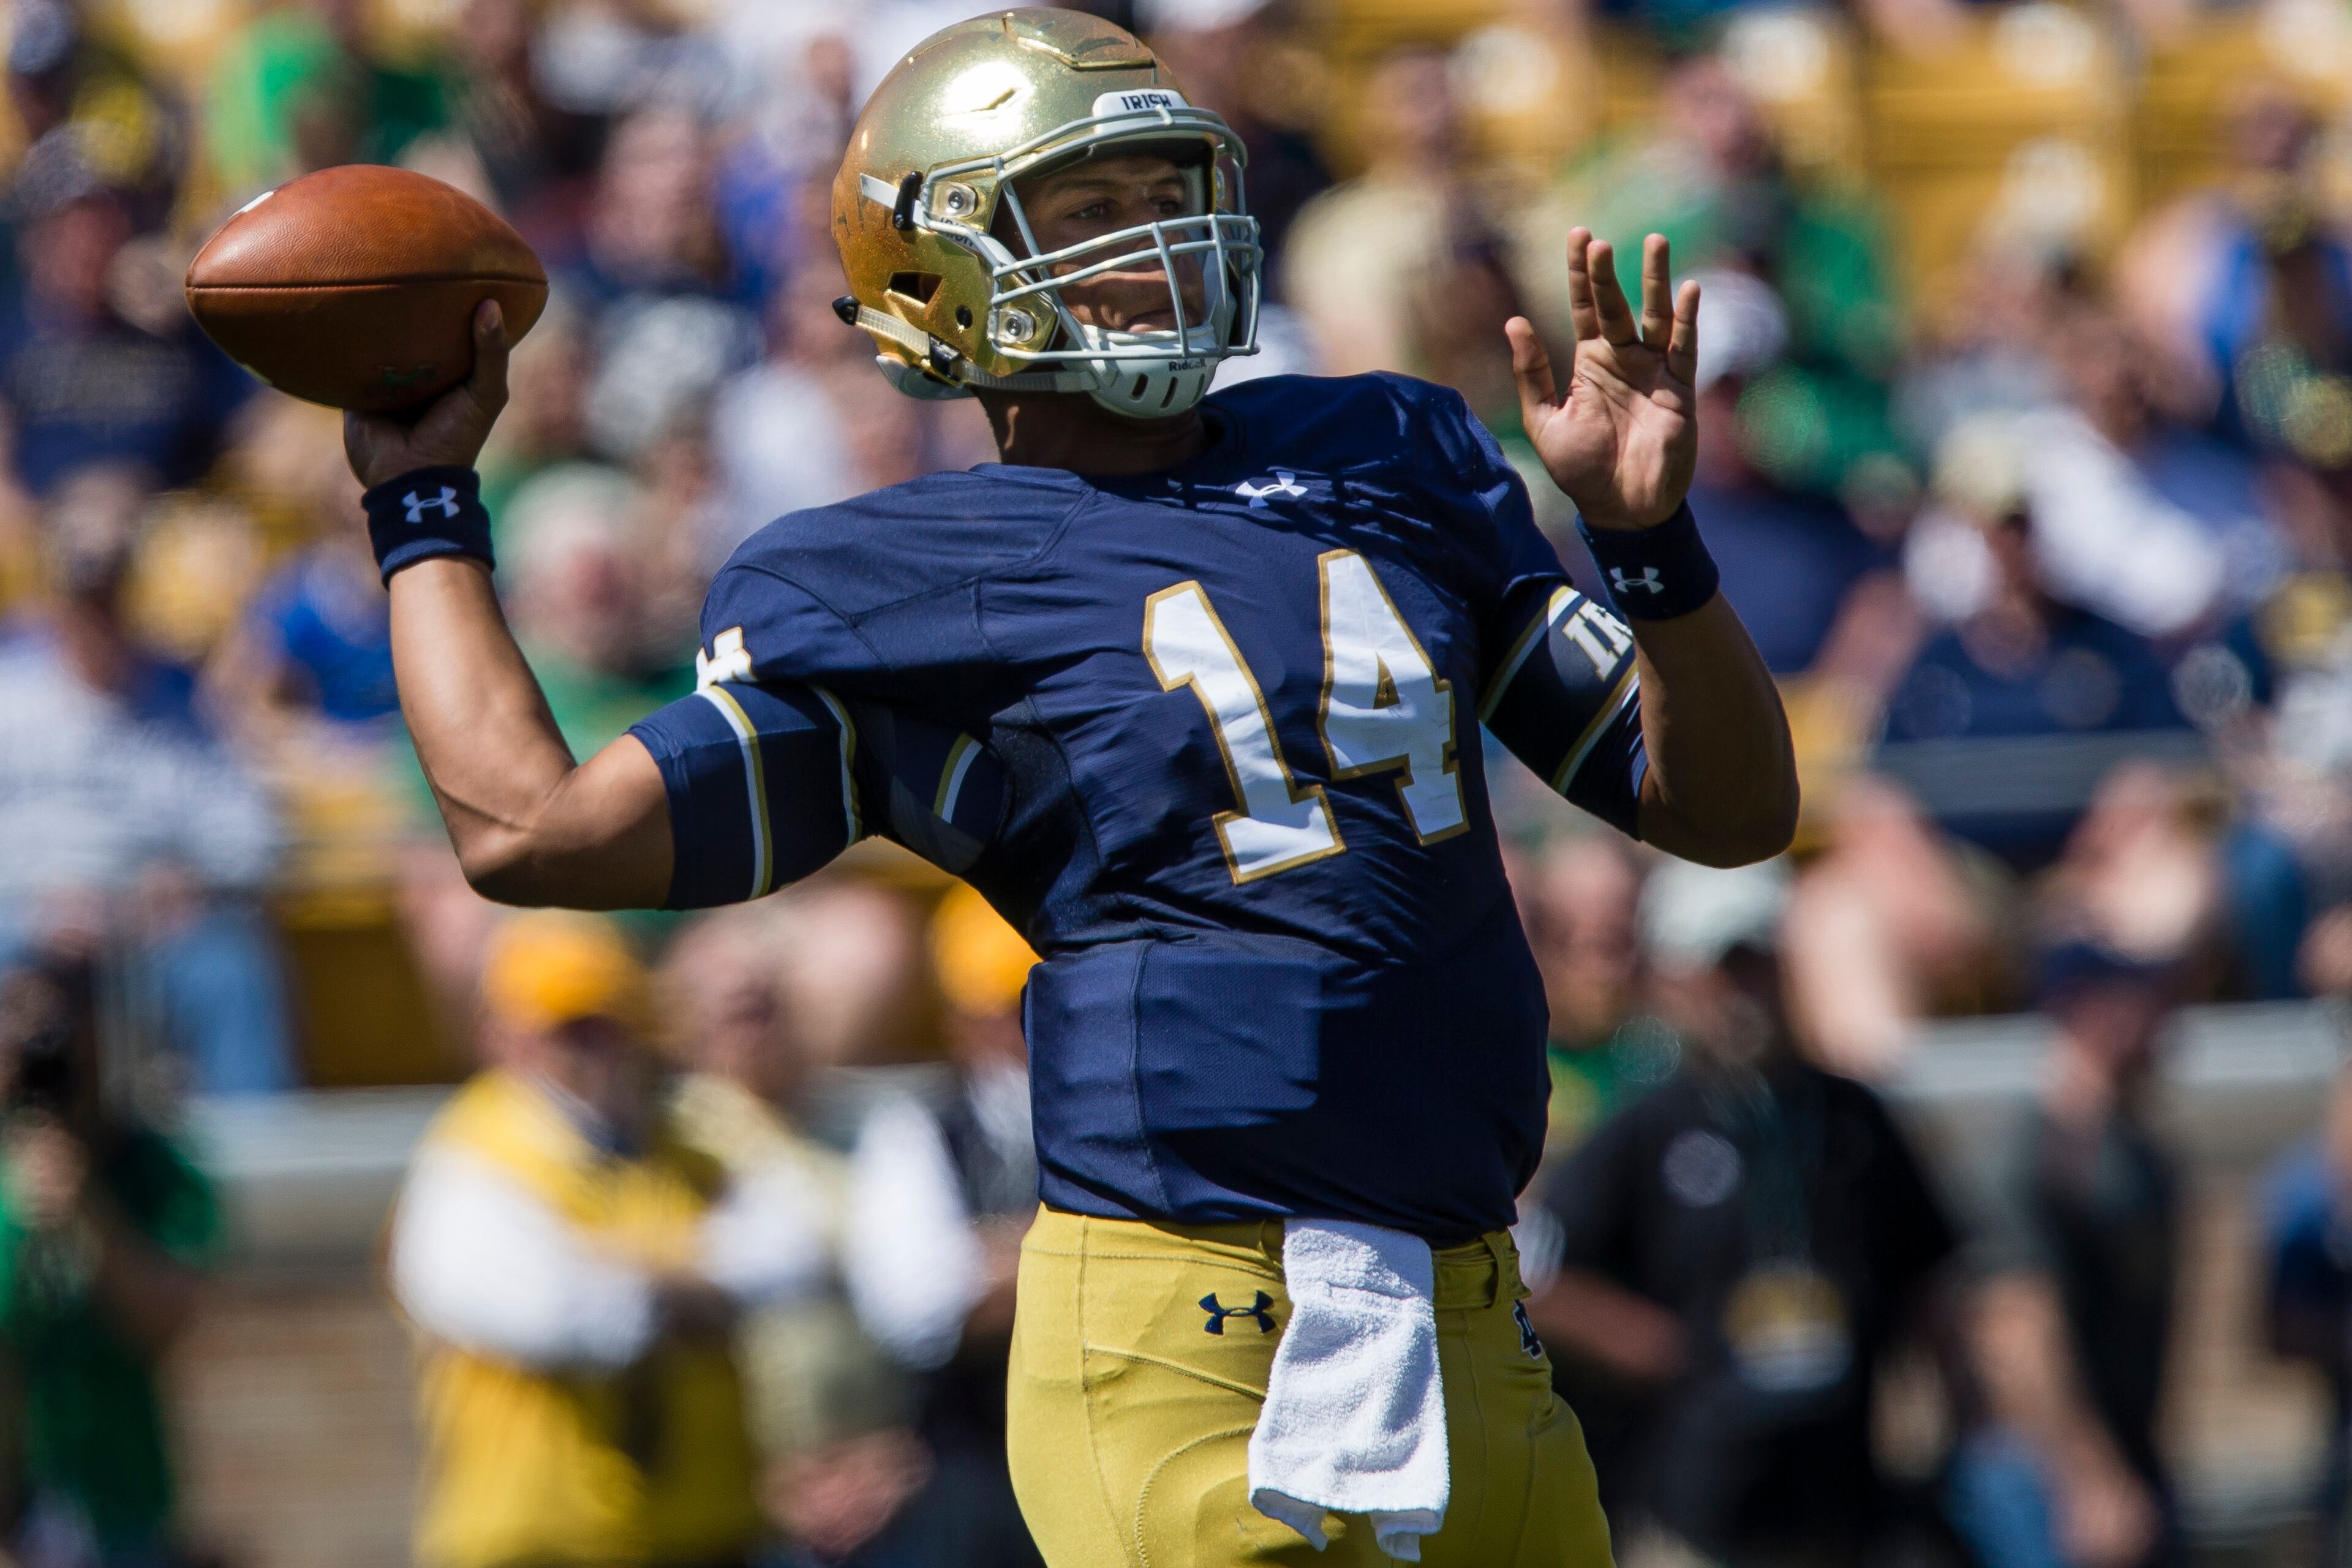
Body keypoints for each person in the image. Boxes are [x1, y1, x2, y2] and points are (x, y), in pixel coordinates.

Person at [338, 10, 1796, 1563]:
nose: (1156, 239)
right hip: (1187, 1329)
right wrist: (423, 500)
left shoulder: (1387, 449)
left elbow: (1723, 810)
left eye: (1169, 190)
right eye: (1090, 208)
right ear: (934, 275)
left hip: (1475, 1309)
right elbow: (533, 827)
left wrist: (1646, 546)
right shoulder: (899, 575)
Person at [1522, 859, 1958, 1568]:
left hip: (1843, 1502)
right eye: (1723, 967)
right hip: (1693, 1505)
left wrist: (1947, 1411)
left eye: (1757, 962)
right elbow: (1539, 1272)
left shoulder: (1852, 1116)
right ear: (1676, 977)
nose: (1743, 989)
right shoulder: (1647, 1123)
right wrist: (1664, 1350)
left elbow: (1928, 1269)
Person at [390, 910, 824, 1568]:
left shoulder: (689, 1141)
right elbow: (557, 1317)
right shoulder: (471, 1155)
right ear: (498, 1035)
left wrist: (611, 1264)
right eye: (568, 1027)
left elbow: (794, 1257)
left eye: (611, 1020)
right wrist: (701, 1278)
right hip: (537, 1547)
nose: (596, 1046)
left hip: (704, 1535)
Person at [1945, 941, 2182, 1568]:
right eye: (2146, 996)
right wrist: (2087, 1480)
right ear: (2088, 1010)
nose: (2168, 1017)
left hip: (2124, 1456)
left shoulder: (2134, 1155)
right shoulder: (2034, 1158)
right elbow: (2017, 1333)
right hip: (2044, 1477)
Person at [0, 949, 221, 1568]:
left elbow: (164, 1323)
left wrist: (88, 1209)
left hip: (124, 1508)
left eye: (61, 1031)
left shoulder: (155, 1170)